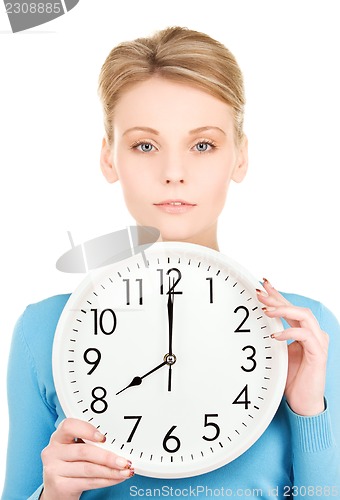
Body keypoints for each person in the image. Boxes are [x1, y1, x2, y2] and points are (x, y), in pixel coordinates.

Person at [2, 26, 340, 500]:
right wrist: (53, 494)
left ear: (239, 157)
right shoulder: (45, 331)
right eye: (145, 145)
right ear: (109, 157)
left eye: (203, 145)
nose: (174, 173)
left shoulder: (306, 333)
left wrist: (308, 412)